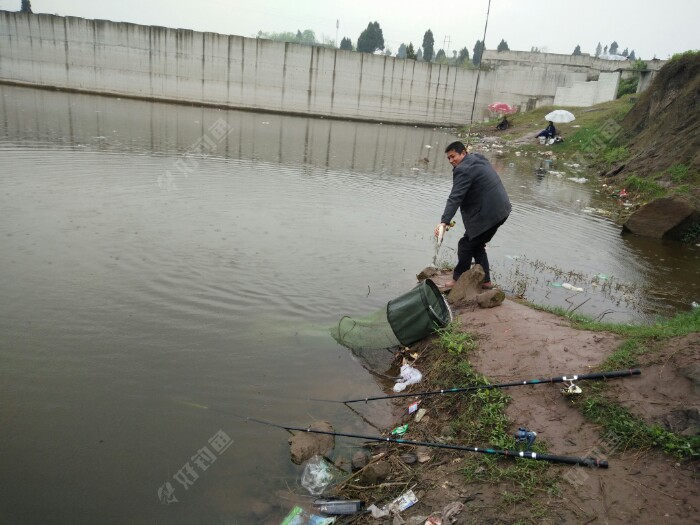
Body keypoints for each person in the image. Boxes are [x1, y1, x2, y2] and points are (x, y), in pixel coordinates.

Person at [435, 141, 511, 289]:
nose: (451, 161)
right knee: (477, 243)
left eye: (453, 156)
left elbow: (455, 197)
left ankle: (458, 279)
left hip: (489, 213)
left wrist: (444, 221)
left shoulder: (463, 170)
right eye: (448, 158)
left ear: (463, 153)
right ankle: (486, 281)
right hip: (502, 210)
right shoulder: (477, 158)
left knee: (465, 245)